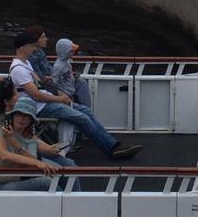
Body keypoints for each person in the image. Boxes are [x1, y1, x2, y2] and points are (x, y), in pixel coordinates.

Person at [8, 33, 139, 160]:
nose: (34, 48)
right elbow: (36, 95)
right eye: (31, 46)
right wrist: (59, 99)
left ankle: (113, 144)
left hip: (46, 100)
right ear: (22, 48)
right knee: (81, 118)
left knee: (86, 111)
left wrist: (51, 85)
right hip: (39, 106)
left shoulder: (26, 64)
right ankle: (111, 149)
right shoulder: (18, 69)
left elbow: (39, 82)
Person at [0, 97, 76, 191]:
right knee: (46, 182)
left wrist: (16, 144)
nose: (22, 119)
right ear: (13, 116)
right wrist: (38, 163)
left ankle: (74, 200)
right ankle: (71, 204)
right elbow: (4, 155)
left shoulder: (31, 139)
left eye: (26, 116)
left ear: (31, 120)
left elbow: (32, 163)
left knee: (67, 169)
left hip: (15, 182)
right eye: (19, 114)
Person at [50, 38, 92, 108]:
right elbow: (54, 83)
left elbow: (67, 75)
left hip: (70, 90)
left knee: (82, 82)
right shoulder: (58, 67)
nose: (74, 53)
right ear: (65, 52)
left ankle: (86, 108)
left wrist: (73, 75)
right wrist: (61, 95)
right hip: (65, 94)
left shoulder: (67, 62)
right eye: (71, 51)